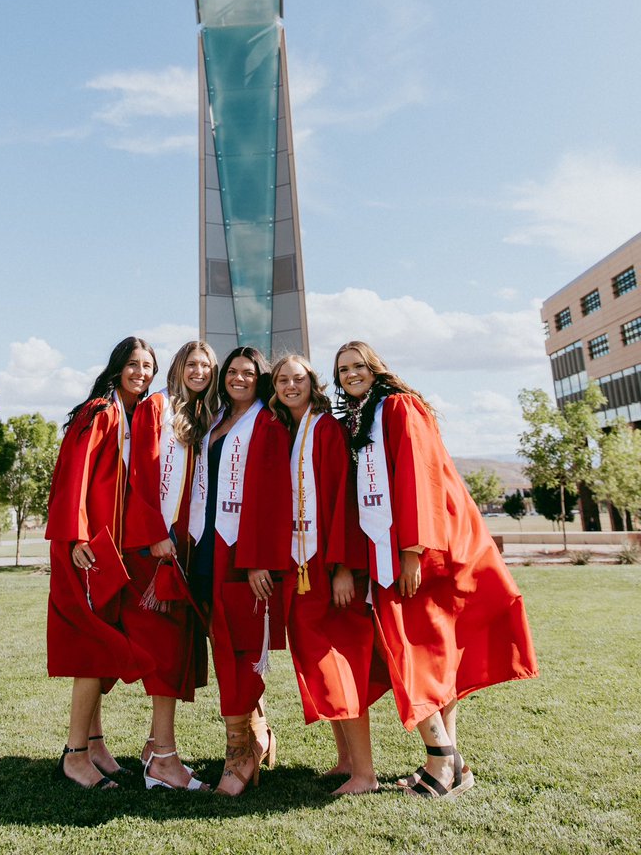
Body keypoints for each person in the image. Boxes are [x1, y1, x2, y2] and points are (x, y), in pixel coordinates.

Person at [333, 340, 540, 800]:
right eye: (343, 369)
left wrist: (411, 552)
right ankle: (455, 764)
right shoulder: (363, 417)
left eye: (358, 366)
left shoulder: (399, 407)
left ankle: (440, 761)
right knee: (428, 654)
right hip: (395, 547)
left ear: (376, 368)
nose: (350, 374)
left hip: (425, 551)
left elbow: (419, 478)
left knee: (411, 651)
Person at [270, 354, 386, 796]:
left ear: (311, 383)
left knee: (341, 663)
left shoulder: (327, 428)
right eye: (281, 380)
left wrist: (343, 569)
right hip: (299, 566)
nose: (289, 385)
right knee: (318, 663)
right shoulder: (289, 431)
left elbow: (343, 500)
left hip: (327, 566)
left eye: (297, 378)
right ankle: (346, 760)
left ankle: (365, 774)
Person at [45, 336, 158, 789]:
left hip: (108, 549)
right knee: (92, 647)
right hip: (86, 547)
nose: (142, 373)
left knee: (102, 639)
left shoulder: (134, 416)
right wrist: (74, 537)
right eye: (134, 365)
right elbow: (74, 474)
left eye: (149, 366)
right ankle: (74, 755)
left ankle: (94, 745)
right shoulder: (100, 411)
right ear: (117, 367)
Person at [189, 346, 292, 796]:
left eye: (248, 373)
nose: (238, 378)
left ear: (260, 378)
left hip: (240, 551)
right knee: (222, 643)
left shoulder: (266, 425)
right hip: (207, 545)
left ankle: (240, 755)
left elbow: (272, 496)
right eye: (231, 371)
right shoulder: (214, 422)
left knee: (241, 647)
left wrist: (257, 559)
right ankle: (256, 731)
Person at [122, 340, 219, 791]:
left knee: (177, 648)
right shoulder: (155, 408)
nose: (200, 370)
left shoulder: (198, 418)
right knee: (163, 651)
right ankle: (163, 759)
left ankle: (152, 746)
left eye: (207, 366)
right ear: (179, 367)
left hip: (182, 550)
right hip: (153, 551)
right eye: (193, 363)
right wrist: (155, 535)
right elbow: (140, 474)